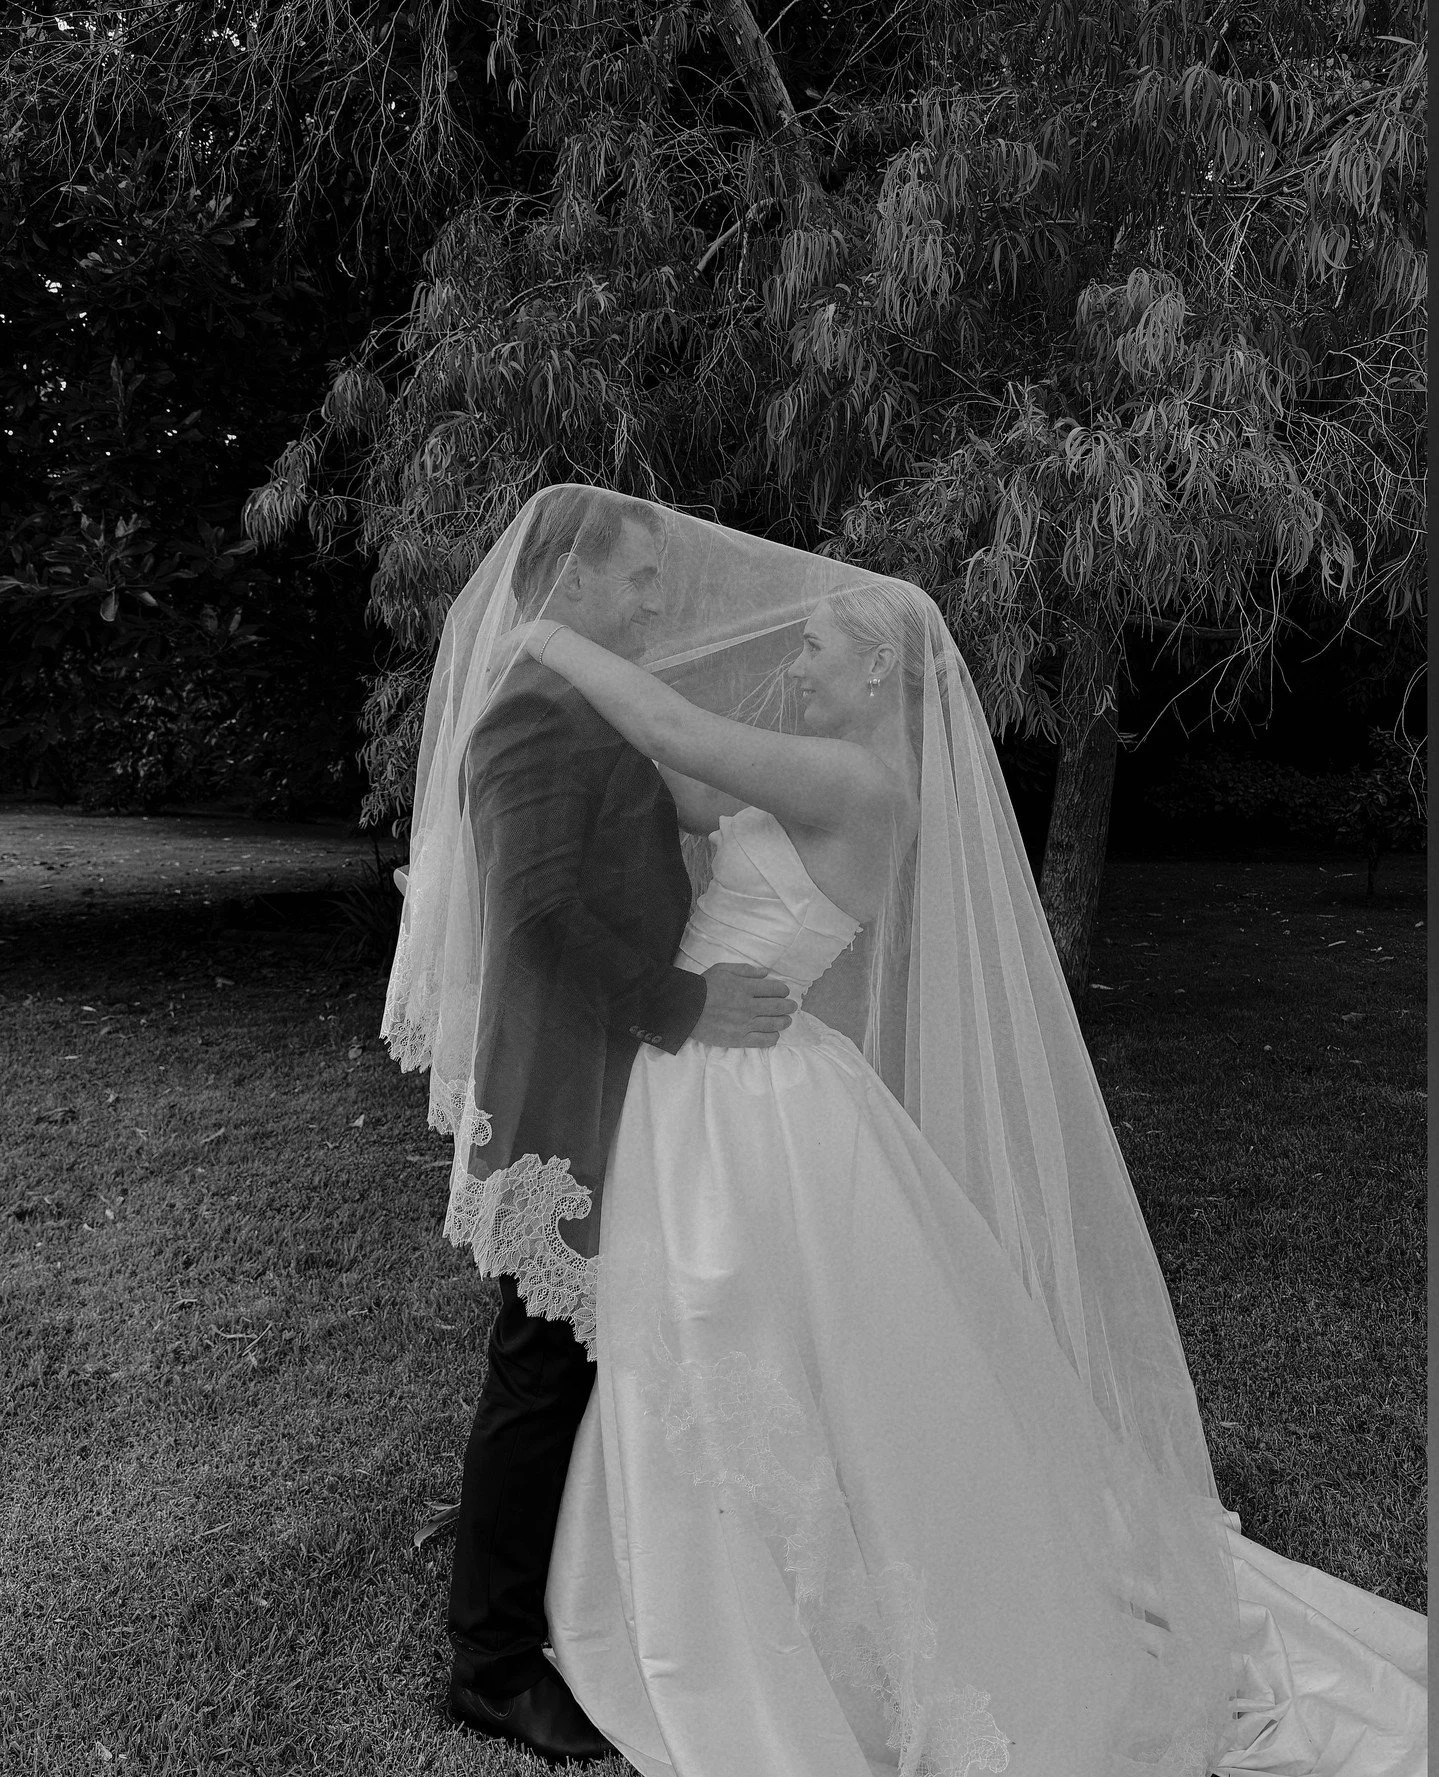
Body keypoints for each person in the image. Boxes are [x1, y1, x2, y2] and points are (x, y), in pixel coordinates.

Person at [389, 489, 1426, 1777]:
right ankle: (532, 1630)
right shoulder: (653, 742)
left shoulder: (841, 777)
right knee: (652, 1349)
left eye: (816, 645)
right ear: (583, 571)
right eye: (638, 579)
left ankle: (661, 1610)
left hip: (729, 1091)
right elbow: (636, 824)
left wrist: (530, 631)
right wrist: (537, 664)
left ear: (875, 664)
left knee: (717, 1342)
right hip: (690, 1083)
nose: (786, 653)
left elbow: (666, 732)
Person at [382, 487, 796, 1762]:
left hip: (610, 1077)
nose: (656, 601)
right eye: (637, 579)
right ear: (566, 581)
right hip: (565, 1083)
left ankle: (578, 1598)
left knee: (587, 1353)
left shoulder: (581, 698)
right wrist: (685, 1003)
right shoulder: (528, 712)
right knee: (539, 1362)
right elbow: (539, 914)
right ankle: (489, 1662)